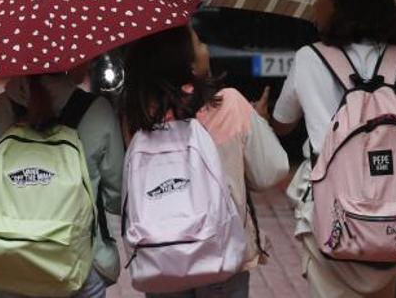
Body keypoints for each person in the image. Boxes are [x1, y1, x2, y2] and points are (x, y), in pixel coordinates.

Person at [269, 0, 396, 298]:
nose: (313, 6)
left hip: (330, 218)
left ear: (338, 3)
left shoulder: (309, 58)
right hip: (394, 219)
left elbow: (282, 122)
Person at [121, 25, 290, 298]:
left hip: (162, 256)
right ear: (189, 64)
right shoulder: (231, 104)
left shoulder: (139, 115)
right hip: (221, 254)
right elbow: (271, 172)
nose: (206, 49)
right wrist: (259, 123)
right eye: (199, 43)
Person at [0, 61, 125, 298]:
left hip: (10, 264)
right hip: (81, 264)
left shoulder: (2, 107)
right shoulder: (96, 110)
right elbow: (118, 196)